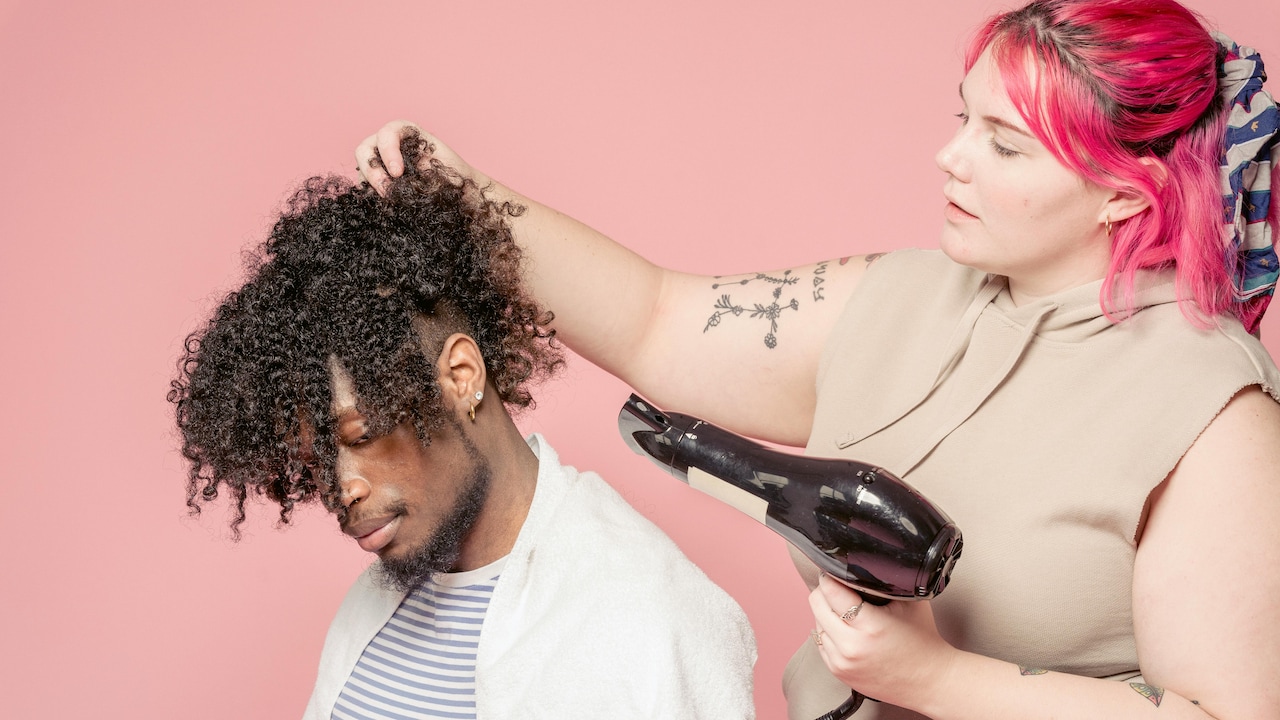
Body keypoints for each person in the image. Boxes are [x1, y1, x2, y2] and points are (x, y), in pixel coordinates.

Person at [354, 0, 1280, 718]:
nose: (949, 158)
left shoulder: (1212, 412)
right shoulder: (902, 295)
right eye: (964, 119)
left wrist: (938, 681)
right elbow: (656, 321)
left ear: (1128, 193)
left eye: (1003, 145)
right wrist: (463, 197)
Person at [168, 134, 757, 719]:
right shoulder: (371, 609)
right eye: (317, 460)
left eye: (360, 436)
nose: (341, 489)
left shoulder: (651, 618)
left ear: (459, 376)